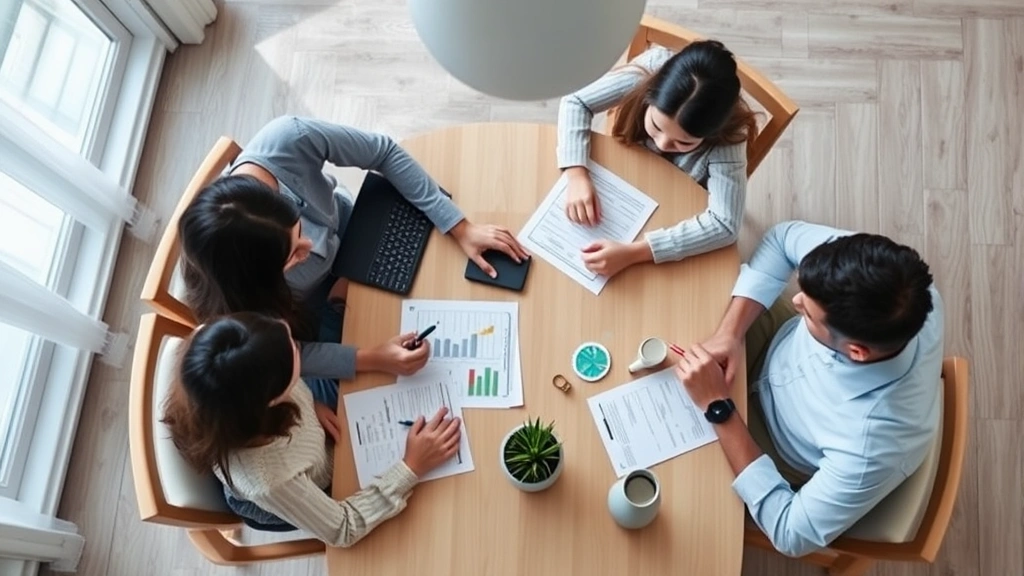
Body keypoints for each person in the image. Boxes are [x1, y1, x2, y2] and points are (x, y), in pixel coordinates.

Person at [179, 115, 530, 386]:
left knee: (449, 282)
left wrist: (460, 227)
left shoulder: (289, 138)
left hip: (359, 228)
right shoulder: (233, 302)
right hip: (313, 311)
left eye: (299, 230)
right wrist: (371, 358)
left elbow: (383, 151)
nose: (312, 247)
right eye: (294, 257)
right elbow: (288, 352)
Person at [673, 220, 943, 557]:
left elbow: (790, 534)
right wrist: (731, 333)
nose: (797, 300)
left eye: (810, 313)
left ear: (856, 352)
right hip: (771, 343)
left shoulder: (870, 447)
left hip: (769, 442)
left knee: (669, 477)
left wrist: (719, 408)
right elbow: (782, 239)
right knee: (668, 314)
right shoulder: (891, 279)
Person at [162, 312, 462, 544]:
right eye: (294, 349)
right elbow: (343, 528)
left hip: (307, 439)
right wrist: (411, 467)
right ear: (274, 397)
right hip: (293, 493)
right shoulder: (270, 479)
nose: (298, 347)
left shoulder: (223, 346)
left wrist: (312, 402)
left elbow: (289, 374)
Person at [556, 40, 758, 279]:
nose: (662, 144)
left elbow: (725, 224)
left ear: (713, 134)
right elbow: (575, 101)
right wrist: (576, 173)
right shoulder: (649, 71)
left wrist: (635, 253)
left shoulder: (730, 138)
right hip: (624, 177)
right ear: (650, 95)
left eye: (684, 142)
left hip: (674, 208)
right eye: (656, 126)